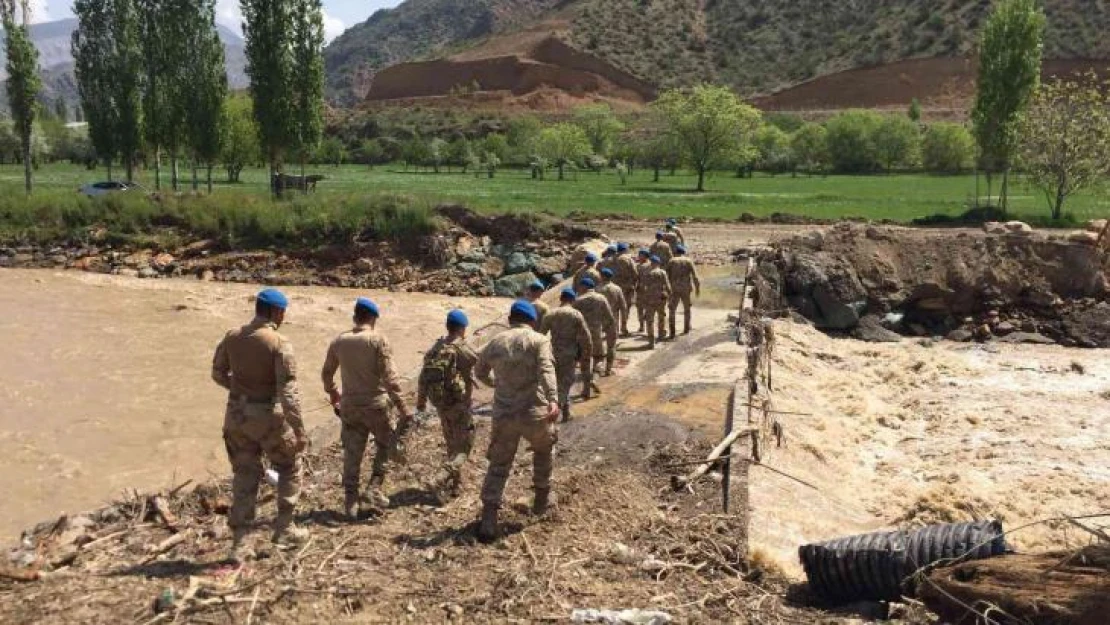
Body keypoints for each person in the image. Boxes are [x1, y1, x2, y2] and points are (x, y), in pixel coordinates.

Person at [211, 288, 309, 561]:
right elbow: (288, 393)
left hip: (236, 415)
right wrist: (299, 430)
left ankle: (240, 544)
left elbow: (217, 373)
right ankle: (285, 529)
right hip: (267, 416)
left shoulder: (232, 337)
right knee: (290, 466)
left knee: (244, 474)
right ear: (277, 312)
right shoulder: (279, 343)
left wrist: (240, 390)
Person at [475, 300, 560, 542]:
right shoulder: (538, 340)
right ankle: (541, 502)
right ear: (532, 321)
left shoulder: (495, 342)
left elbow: (479, 372)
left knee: (499, 464)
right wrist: (553, 399)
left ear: (511, 319)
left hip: (504, 414)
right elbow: (546, 369)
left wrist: (497, 385)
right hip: (534, 410)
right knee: (544, 450)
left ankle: (489, 519)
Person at [322, 297, 412, 520]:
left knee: (352, 454)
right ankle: (373, 490)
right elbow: (390, 378)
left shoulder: (339, 341)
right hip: (376, 407)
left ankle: (350, 501)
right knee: (385, 446)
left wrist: (334, 394)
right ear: (373, 318)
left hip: (350, 407)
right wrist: (403, 407)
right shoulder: (378, 340)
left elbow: (326, 374)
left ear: (355, 316)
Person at [416, 309, 479, 502]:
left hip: (441, 404)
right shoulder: (460, 347)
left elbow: (422, 378)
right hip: (459, 404)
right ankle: (441, 477)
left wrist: (420, 403)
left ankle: (455, 486)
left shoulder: (435, 348)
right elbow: (476, 360)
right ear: (461, 328)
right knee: (465, 447)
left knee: (452, 442)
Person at [540, 289, 592, 422]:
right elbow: (585, 337)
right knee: (566, 381)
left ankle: (560, 409)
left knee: (555, 381)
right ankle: (561, 409)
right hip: (570, 354)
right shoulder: (576, 314)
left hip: (553, 352)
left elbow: (541, 335)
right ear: (573, 300)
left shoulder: (550, 314)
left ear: (561, 299)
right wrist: (586, 354)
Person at [573, 278, 617, 395]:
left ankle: (586, 389)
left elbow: (573, 320)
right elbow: (609, 317)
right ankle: (594, 378)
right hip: (596, 333)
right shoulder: (601, 298)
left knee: (585, 360)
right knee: (599, 358)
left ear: (584, 287)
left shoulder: (577, 301)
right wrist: (610, 331)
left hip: (581, 335)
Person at [666, 245, 701, 338]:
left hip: (674, 289)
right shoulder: (688, 261)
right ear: (683, 252)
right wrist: (697, 288)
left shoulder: (672, 261)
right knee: (687, 309)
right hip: (686, 289)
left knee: (672, 309)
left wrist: (666, 289)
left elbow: (666, 276)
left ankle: (672, 332)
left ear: (676, 252)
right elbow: (695, 276)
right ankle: (686, 329)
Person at [596, 268, 627, 372]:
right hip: (613, 319)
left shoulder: (597, 289)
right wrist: (624, 322)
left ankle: (597, 367)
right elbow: (623, 306)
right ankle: (608, 369)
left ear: (603, 276)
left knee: (598, 344)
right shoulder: (617, 289)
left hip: (599, 319)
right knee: (611, 345)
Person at [641, 255, 672, 349]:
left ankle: (651, 341)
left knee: (649, 320)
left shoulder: (647, 272)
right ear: (658, 263)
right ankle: (661, 334)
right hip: (660, 298)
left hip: (649, 298)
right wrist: (670, 295)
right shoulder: (662, 272)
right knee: (661, 316)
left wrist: (644, 299)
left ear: (651, 263)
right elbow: (667, 285)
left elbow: (642, 286)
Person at [612, 243, 638, 337]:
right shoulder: (628, 259)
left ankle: (615, 329)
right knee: (625, 308)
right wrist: (634, 284)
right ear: (625, 250)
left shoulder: (611, 259)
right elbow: (635, 273)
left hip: (613, 287)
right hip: (626, 287)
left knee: (615, 309)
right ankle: (624, 328)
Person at [635, 249, 652, 333]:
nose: (639, 256)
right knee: (639, 308)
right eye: (639, 255)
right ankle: (641, 326)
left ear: (645, 256)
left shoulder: (649, 265)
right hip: (640, 290)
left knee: (648, 308)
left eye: (641, 255)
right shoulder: (638, 265)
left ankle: (647, 326)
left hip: (648, 290)